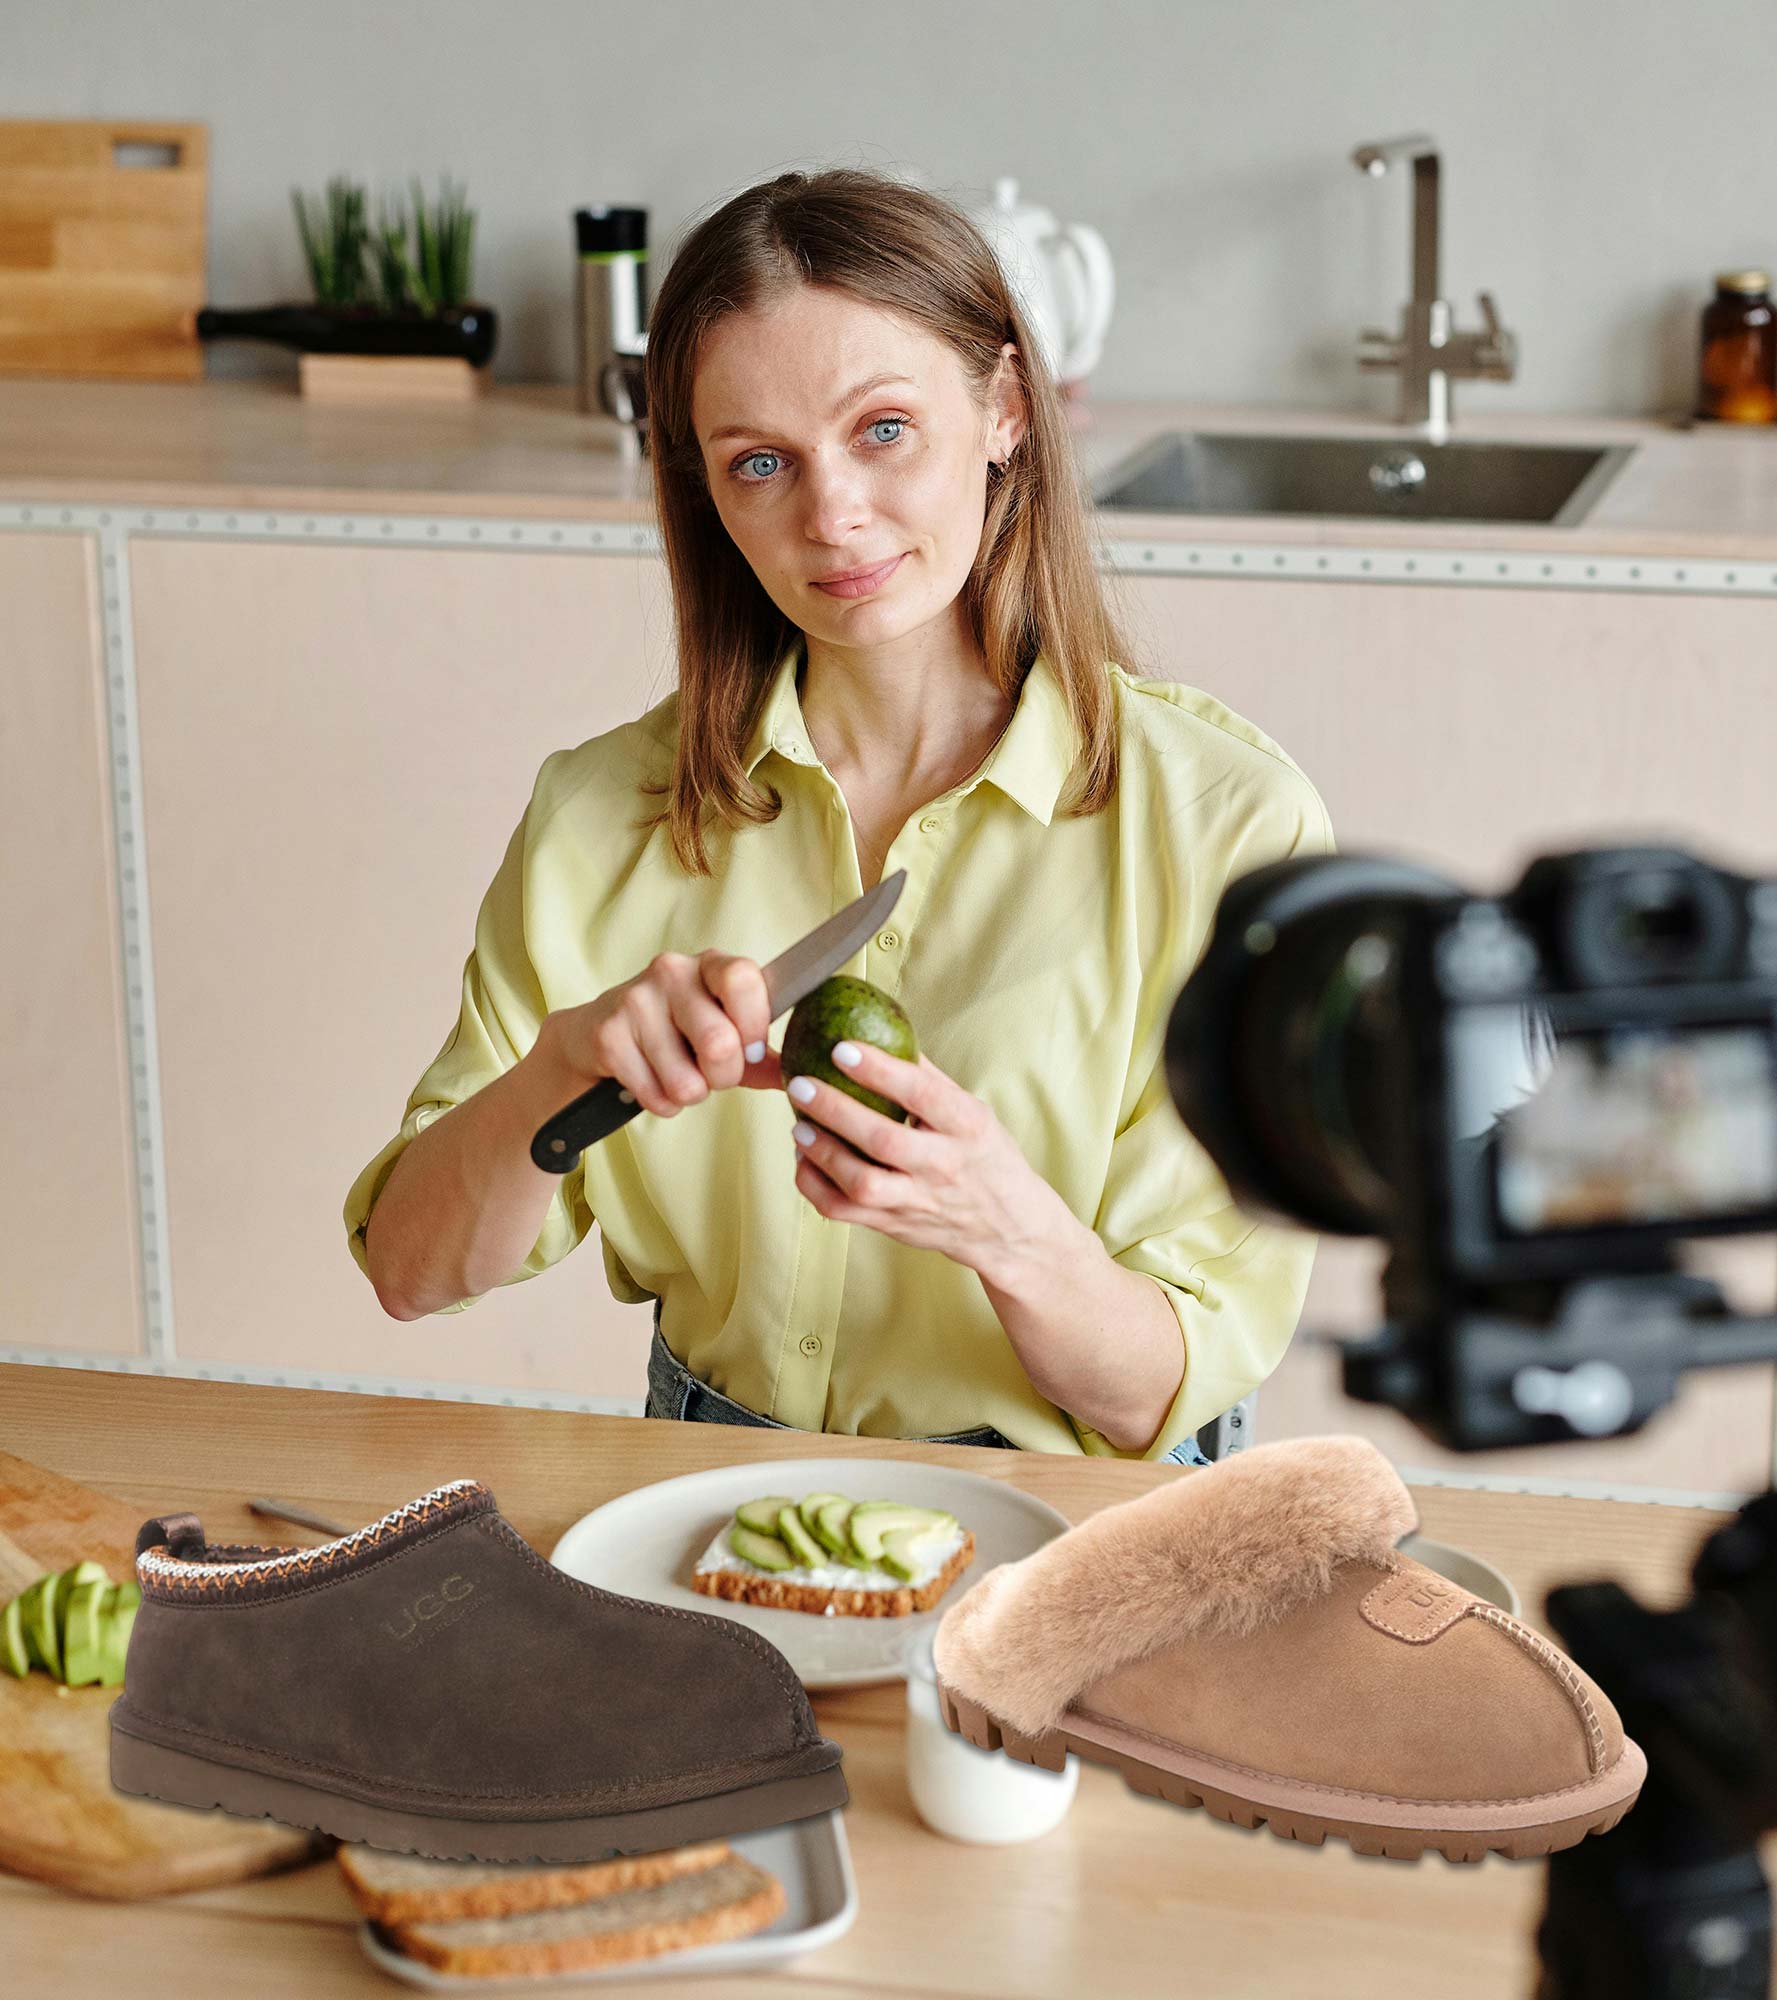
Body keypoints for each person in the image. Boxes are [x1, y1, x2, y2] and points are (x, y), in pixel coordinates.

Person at [342, 166, 1336, 1464]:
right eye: (761, 463)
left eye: (882, 431)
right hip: (710, 1481)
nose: (833, 515)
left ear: (1005, 411)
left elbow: (1164, 1393)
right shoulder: (601, 817)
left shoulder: (1221, 825)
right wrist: (562, 1067)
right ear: (706, 488)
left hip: (1080, 1509)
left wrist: (1001, 1227)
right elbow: (413, 1273)